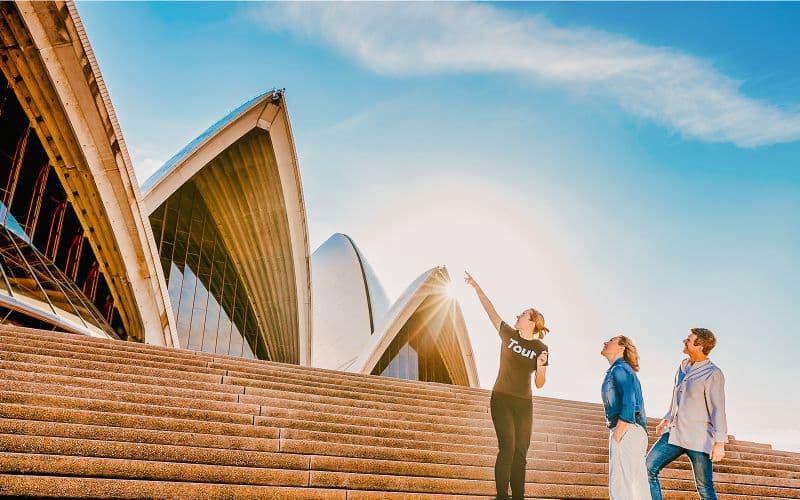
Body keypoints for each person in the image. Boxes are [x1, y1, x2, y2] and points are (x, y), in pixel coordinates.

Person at [464, 270, 549, 500]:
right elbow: (490, 310)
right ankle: (502, 496)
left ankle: (518, 497)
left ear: (532, 322)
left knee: (521, 453)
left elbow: (540, 384)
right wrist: (476, 286)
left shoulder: (541, 348)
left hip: (524, 404)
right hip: (501, 399)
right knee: (508, 448)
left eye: (523, 314)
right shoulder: (508, 334)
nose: (517, 316)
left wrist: (541, 367)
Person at [646, 328, 727, 500]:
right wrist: (666, 418)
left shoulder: (713, 373)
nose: (684, 341)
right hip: (674, 434)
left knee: (705, 488)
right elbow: (676, 395)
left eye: (689, 340)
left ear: (699, 346)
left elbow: (718, 408)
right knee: (647, 468)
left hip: (699, 439)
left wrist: (719, 443)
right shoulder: (683, 365)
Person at [600, 335, 649, 499]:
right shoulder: (621, 369)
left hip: (626, 428)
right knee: (635, 487)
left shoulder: (620, 369)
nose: (605, 342)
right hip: (632, 430)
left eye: (611, 340)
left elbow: (629, 399)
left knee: (621, 486)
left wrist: (619, 431)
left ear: (622, 347)